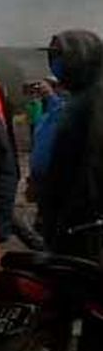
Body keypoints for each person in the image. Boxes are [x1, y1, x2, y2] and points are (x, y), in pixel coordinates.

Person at [36, 29, 103, 259]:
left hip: (82, 226)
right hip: (64, 215)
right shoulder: (78, 97)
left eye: (61, 57)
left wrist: (67, 223)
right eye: (53, 57)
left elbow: (90, 169)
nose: (56, 64)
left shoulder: (94, 100)